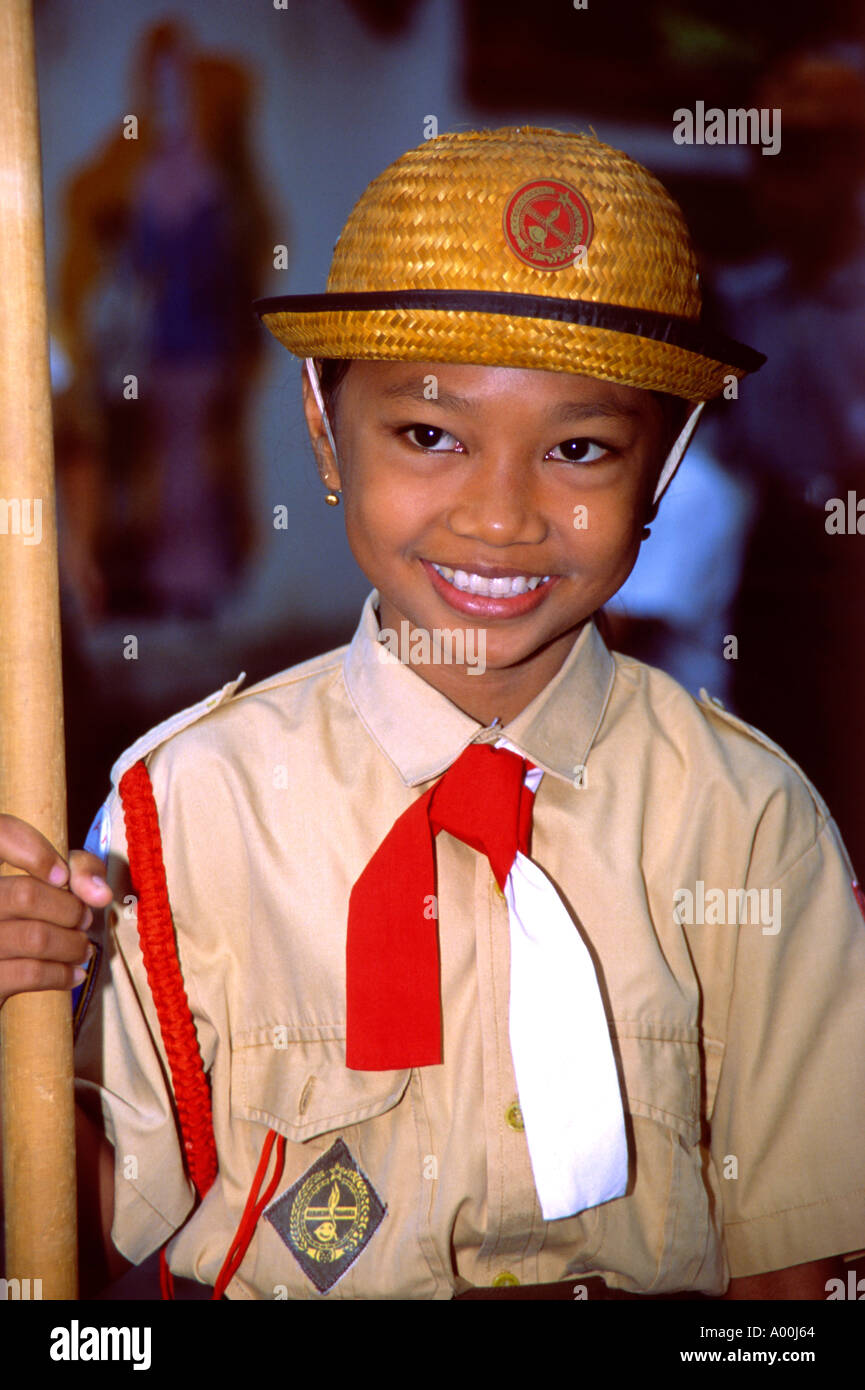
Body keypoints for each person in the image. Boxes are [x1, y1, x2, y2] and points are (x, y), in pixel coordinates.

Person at [1, 127, 863, 1301]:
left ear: (662, 469)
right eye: (428, 434)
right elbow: (97, 1232)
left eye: (579, 448)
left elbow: (795, 1272)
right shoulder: (177, 815)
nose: (500, 516)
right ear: (322, 425)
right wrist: (17, 1012)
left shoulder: (749, 824)